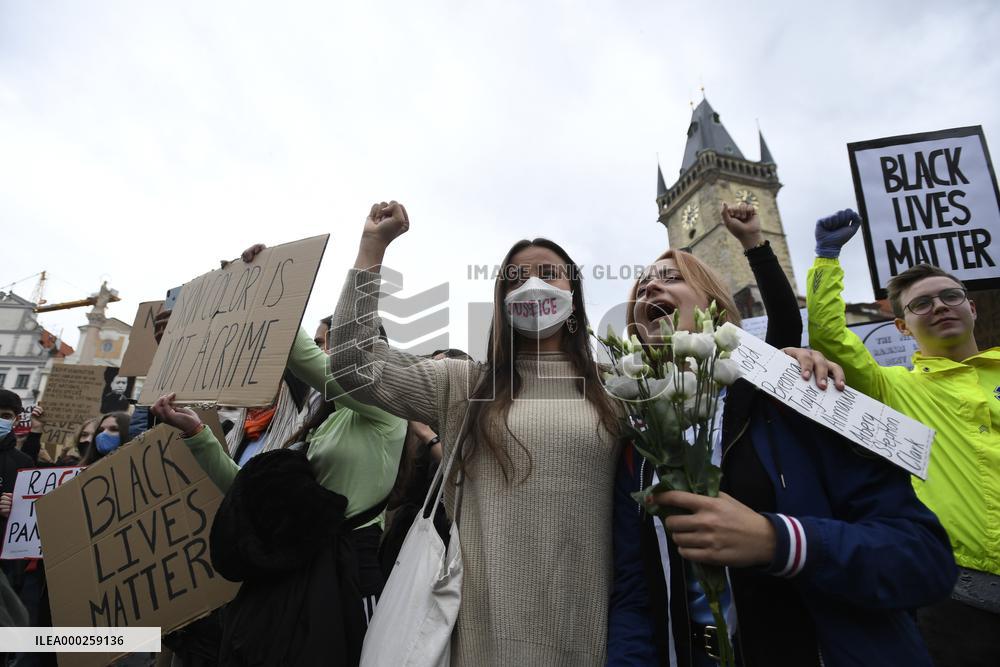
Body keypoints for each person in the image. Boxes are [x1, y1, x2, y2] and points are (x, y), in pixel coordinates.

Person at [607, 203, 956, 667]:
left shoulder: (800, 392)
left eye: (671, 278)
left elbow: (924, 559)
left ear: (715, 307)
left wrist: (779, 541)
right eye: (641, 286)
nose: (651, 286)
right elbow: (635, 594)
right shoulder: (639, 444)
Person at [326, 200, 621, 665]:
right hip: (485, 640)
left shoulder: (617, 388)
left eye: (549, 273)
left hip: (592, 635)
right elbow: (352, 363)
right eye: (516, 279)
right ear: (501, 304)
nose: (533, 285)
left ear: (574, 297)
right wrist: (372, 248)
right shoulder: (464, 386)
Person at [151, 289, 407, 666]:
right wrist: (197, 435)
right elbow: (250, 497)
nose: (325, 353)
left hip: (350, 575)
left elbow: (306, 362)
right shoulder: (318, 427)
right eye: (321, 344)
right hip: (298, 572)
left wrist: (271, 301)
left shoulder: (387, 411)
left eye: (332, 344)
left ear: (372, 353)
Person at [807, 208, 1000, 666]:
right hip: (958, 601)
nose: (940, 307)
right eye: (921, 304)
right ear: (901, 326)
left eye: (951, 296)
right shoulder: (893, 388)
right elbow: (831, 338)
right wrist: (827, 259)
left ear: (971, 307)